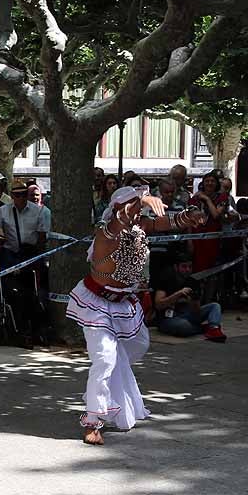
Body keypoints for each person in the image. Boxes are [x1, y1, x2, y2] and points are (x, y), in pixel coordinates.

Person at [66, 186, 204, 445]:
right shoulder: (107, 231)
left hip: (124, 304)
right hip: (96, 305)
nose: (139, 211)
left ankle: (110, 387)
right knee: (105, 360)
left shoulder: (140, 228)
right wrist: (141, 199)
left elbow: (170, 221)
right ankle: (93, 422)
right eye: (134, 206)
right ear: (119, 207)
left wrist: (191, 215)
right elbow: (120, 221)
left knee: (139, 344)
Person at [152, 250, 227, 341]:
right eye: (184, 267)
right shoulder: (166, 278)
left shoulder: (193, 281)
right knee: (184, 326)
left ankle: (214, 329)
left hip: (187, 314)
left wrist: (194, 300)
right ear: (176, 267)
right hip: (168, 318)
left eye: (190, 267)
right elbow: (159, 304)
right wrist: (178, 294)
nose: (187, 270)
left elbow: (196, 311)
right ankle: (203, 328)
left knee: (215, 306)